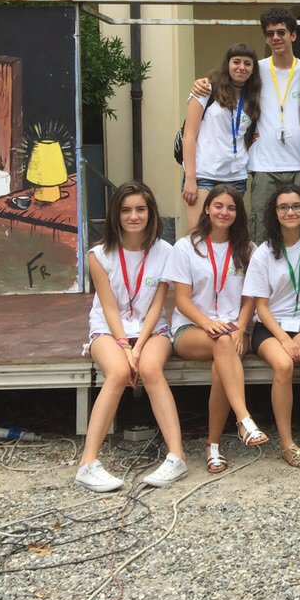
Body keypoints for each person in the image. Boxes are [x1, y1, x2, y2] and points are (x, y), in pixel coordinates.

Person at [76, 182, 185, 492]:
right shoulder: (99, 255)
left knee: (150, 369)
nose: (133, 216)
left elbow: (157, 305)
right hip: (109, 329)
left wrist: (139, 349)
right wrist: (125, 346)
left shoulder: (166, 251)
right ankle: (87, 463)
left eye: (140, 209)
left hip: (152, 329)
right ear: (116, 215)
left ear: (151, 213)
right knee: (118, 372)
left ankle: (177, 456)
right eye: (126, 210)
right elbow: (109, 307)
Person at [165, 185, 267, 476]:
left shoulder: (248, 248)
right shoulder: (186, 246)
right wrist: (207, 323)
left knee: (221, 362)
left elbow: (251, 297)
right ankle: (244, 419)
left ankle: (213, 447)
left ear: (238, 213)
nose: (224, 212)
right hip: (192, 328)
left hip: (234, 331)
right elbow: (182, 300)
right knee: (222, 344)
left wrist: (241, 328)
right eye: (218, 206)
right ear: (207, 208)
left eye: (231, 208)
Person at [243, 185, 300, 468]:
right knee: (283, 365)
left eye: (296, 206)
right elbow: (260, 305)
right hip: (271, 325)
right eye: (283, 207)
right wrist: (283, 339)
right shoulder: (265, 252)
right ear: (275, 213)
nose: (290, 212)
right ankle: (287, 443)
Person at [180, 43, 260, 229]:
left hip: (236, 177)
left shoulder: (252, 98)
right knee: (198, 234)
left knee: (228, 235)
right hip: (204, 174)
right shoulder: (206, 90)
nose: (241, 67)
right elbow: (189, 135)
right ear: (227, 64)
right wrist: (190, 178)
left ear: (253, 69)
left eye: (247, 63)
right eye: (236, 62)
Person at [245, 8, 300, 242]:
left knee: (299, 229)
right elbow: (227, 83)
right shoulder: (256, 69)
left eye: (281, 32)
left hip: (299, 163)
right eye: (270, 34)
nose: (276, 38)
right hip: (264, 164)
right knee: (261, 230)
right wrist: (202, 84)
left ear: (293, 35)